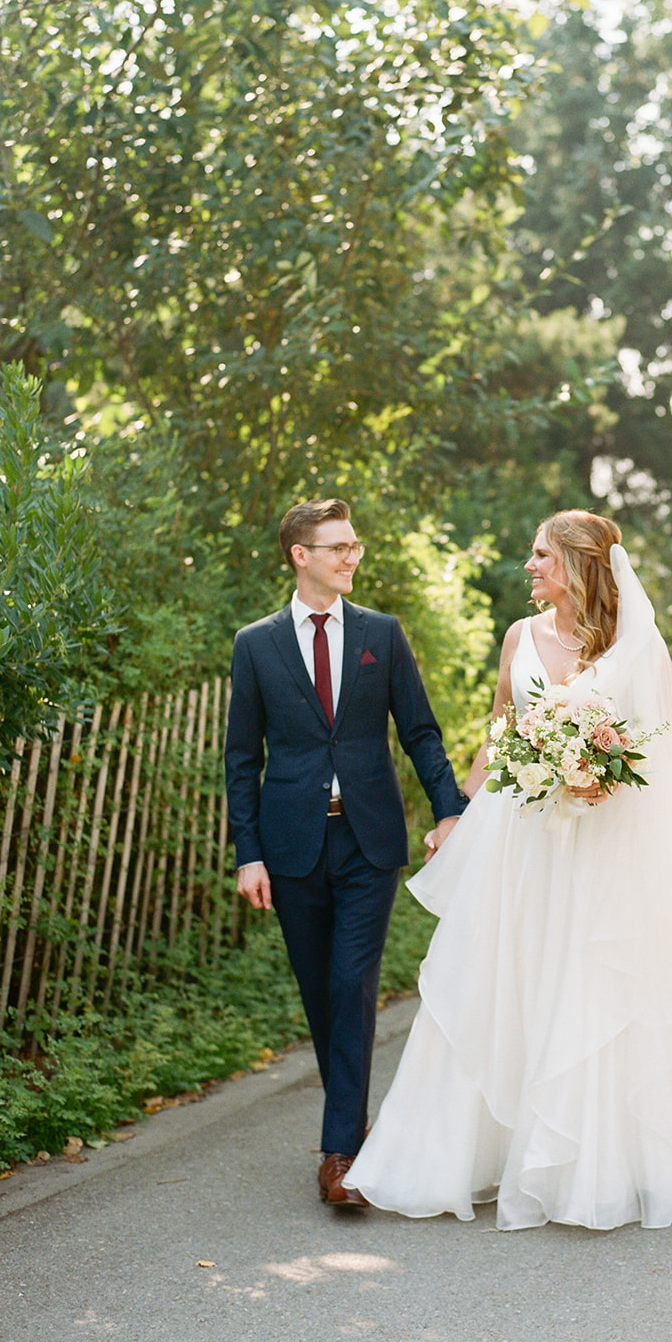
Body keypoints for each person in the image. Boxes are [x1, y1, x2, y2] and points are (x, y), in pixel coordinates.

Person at [345, 509, 672, 1229]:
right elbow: (498, 735)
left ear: (576, 565)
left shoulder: (637, 648)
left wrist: (598, 776)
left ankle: (594, 1163)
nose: (529, 567)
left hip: (601, 849)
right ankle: (476, 1151)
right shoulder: (519, 637)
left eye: (540, 556)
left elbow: (651, 763)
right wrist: (457, 813)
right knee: (509, 978)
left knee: (586, 986)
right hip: (523, 842)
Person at [224, 498, 467, 1208]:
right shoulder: (256, 643)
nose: (351, 557)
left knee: (353, 984)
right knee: (320, 994)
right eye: (337, 548)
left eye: (354, 546)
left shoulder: (381, 635)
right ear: (300, 555)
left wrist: (450, 810)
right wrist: (249, 854)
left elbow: (419, 731)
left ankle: (340, 1160)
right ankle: (354, 1129)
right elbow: (242, 758)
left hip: (368, 840)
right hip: (292, 844)